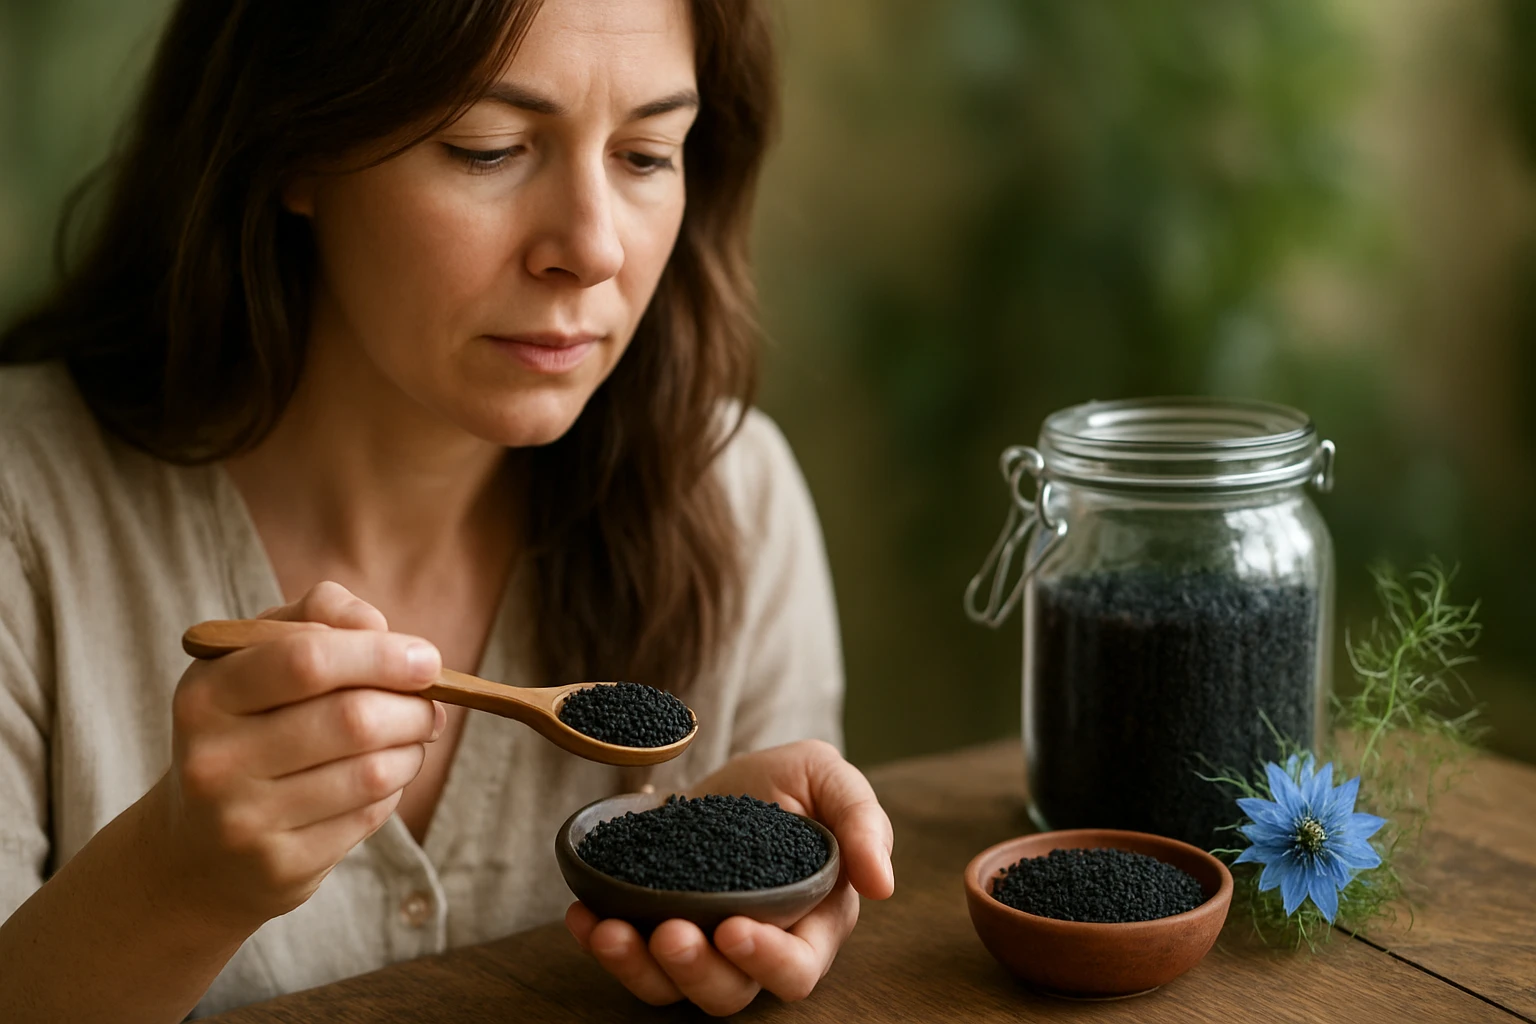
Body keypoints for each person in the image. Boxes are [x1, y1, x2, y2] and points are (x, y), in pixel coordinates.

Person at [0, 0, 895, 1018]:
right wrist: (178, 879)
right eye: (489, 148)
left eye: (647, 155)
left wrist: (754, 891)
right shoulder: (24, 514)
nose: (592, 248)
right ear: (297, 141)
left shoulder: (736, 497)